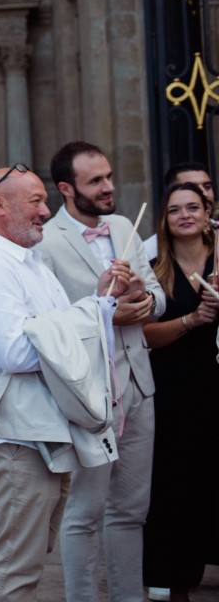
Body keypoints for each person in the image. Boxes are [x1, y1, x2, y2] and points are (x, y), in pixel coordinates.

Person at [0, 163, 135, 602]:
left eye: (43, 200)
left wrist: (99, 298)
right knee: (16, 561)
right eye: (35, 200)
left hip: (41, 428)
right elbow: (18, 352)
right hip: (14, 433)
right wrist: (90, 313)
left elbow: (56, 332)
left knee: (32, 556)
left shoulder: (30, 261)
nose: (45, 209)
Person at [38, 142, 163, 602]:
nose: (109, 187)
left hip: (138, 385)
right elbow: (50, 323)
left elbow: (158, 297)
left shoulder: (125, 226)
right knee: (85, 512)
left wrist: (144, 299)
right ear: (67, 189)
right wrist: (105, 311)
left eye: (108, 176)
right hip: (89, 395)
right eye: (96, 181)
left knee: (132, 509)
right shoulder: (48, 242)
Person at [141, 181, 219, 601]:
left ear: (208, 213)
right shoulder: (155, 270)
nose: (185, 215)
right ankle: (174, 580)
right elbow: (145, 336)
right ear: (165, 221)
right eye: (175, 210)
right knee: (174, 484)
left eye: (194, 207)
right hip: (174, 389)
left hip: (216, 381)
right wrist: (193, 319)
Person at [144, 162, 214, 261]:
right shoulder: (148, 254)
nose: (204, 194)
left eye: (207, 187)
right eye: (192, 187)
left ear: (206, 214)